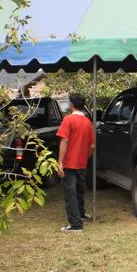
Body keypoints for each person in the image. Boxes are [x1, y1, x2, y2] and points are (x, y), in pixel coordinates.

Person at [56, 93, 95, 232]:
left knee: (70, 192)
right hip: (81, 162)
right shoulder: (88, 122)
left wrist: (60, 162)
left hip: (69, 162)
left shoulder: (68, 120)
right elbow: (92, 146)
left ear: (71, 105)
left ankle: (75, 224)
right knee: (79, 190)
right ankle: (81, 214)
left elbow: (64, 140)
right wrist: (85, 158)